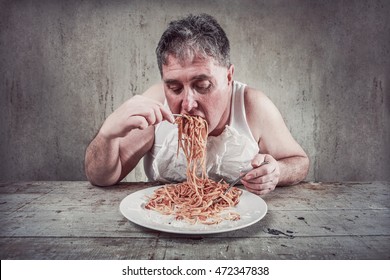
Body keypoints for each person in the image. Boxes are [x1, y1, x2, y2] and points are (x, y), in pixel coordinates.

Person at [85, 13, 309, 195]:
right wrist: (107, 136)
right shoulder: (154, 105)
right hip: (165, 220)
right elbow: (102, 177)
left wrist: (278, 171)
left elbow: (299, 162)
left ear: (229, 77)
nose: (188, 104)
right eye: (174, 88)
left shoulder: (253, 105)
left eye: (202, 85)